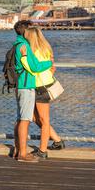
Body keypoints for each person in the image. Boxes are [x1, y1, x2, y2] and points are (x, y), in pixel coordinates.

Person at [13, 20, 53, 162]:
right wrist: (50, 63)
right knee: (25, 120)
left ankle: (18, 150)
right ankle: (22, 155)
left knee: (20, 119)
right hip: (26, 85)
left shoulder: (18, 43)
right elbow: (34, 67)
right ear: (26, 31)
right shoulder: (24, 46)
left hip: (21, 85)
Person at [24, 26, 65, 159]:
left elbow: (33, 68)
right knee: (35, 117)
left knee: (43, 120)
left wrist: (24, 56)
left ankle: (42, 151)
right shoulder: (46, 49)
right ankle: (57, 141)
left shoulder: (33, 52)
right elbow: (53, 67)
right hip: (45, 84)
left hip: (40, 87)